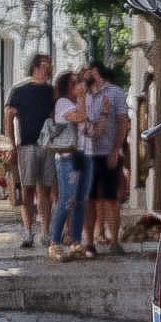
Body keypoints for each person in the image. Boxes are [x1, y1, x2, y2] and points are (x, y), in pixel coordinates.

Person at [3, 54, 56, 248]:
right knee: (27, 191)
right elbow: (9, 116)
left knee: (45, 191)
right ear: (35, 67)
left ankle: (46, 232)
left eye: (49, 66)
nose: (48, 69)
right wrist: (12, 144)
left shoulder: (52, 92)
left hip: (48, 147)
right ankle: (27, 232)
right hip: (26, 145)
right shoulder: (20, 91)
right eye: (44, 65)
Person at [83, 59, 131, 256]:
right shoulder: (83, 94)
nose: (82, 75)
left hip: (107, 153)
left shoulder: (115, 93)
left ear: (95, 71)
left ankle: (114, 240)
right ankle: (89, 242)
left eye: (85, 71)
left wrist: (115, 150)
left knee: (111, 198)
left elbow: (122, 123)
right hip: (87, 154)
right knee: (90, 199)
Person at [46, 70, 93, 261]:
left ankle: (75, 241)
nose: (78, 85)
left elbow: (89, 126)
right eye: (74, 82)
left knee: (81, 200)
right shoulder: (63, 103)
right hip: (68, 158)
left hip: (84, 154)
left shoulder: (79, 102)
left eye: (80, 82)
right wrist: (83, 98)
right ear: (66, 86)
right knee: (67, 199)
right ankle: (54, 242)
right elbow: (81, 118)